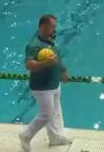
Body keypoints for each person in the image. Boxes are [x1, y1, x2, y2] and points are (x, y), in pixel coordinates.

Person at [19, 15, 72, 152]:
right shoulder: (34, 45)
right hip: (42, 87)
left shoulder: (49, 40)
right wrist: (45, 63)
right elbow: (29, 65)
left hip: (54, 83)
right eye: (52, 26)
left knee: (55, 112)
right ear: (43, 27)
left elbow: (56, 58)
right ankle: (26, 136)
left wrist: (63, 71)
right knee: (46, 115)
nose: (55, 29)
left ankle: (54, 138)